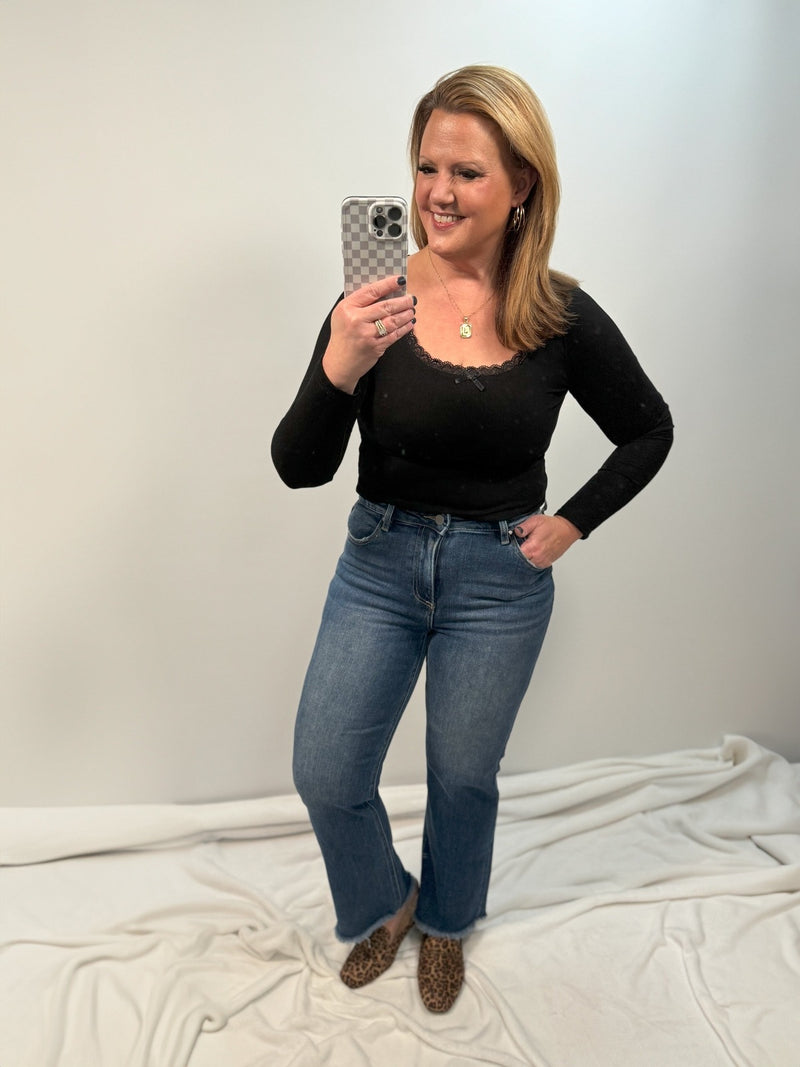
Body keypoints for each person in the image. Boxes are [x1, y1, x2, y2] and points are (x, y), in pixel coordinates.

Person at [271, 65, 673, 1013]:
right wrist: (338, 365)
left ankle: (448, 920)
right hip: (379, 564)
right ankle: (387, 900)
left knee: (461, 773)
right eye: (426, 167)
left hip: (499, 579)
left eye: (467, 172)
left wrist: (569, 524)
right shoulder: (372, 303)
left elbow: (648, 428)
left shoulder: (560, 315)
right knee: (326, 770)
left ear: (522, 183)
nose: (438, 193)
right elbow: (299, 466)